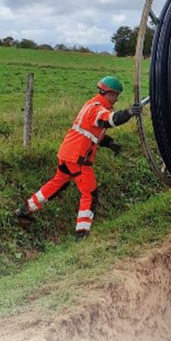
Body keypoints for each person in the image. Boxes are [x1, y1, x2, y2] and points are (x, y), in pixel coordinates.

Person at [15, 76, 141, 240]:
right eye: (116, 95)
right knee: (89, 194)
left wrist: (110, 144)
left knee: (57, 184)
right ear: (109, 93)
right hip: (78, 158)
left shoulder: (91, 105)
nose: (117, 99)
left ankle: (25, 209)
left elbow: (93, 132)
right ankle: (82, 233)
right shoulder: (97, 108)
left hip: (67, 153)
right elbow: (109, 120)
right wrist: (129, 113)